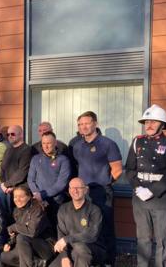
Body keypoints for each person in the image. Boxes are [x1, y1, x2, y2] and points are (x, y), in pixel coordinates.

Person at [125, 104, 166, 267]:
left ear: (162, 124)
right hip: (139, 197)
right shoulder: (138, 141)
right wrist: (138, 188)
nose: (148, 125)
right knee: (142, 239)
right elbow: (129, 169)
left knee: (162, 240)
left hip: (161, 198)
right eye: (146, 121)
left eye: (153, 121)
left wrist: (151, 191)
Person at [71, 111, 122, 264]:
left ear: (95, 124)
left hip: (102, 192)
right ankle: (91, 260)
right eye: (80, 124)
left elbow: (118, 170)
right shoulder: (77, 145)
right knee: (85, 227)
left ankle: (108, 261)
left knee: (105, 227)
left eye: (86, 123)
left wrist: (105, 182)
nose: (83, 127)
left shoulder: (108, 144)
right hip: (83, 193)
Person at [50, 178, 106, 267]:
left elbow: (92, 235)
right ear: (69, 190)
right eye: (72, 188)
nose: (75, 191)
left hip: (93, 249)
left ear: (85, 190)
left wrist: (67, 239)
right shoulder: (63, 209)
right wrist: (64, 257)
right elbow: (61, 234)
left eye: (79, 188)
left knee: (80, 248)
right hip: (71, 250)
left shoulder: (94, 210)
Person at [0, 185, 54, 267]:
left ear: (29, 197)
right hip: (25, 246)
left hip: (44, 246)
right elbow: (17, 232)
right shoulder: (16, 211)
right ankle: (38, 263)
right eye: (15, 197)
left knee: (21, 238)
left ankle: (30, 264)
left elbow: (32, 231)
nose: (17, 200)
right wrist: (10, 243)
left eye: (21, 197)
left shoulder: (37, 208)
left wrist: (13, 227)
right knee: (4, 256)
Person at [28, 131, 70, 228]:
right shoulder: (35, 159)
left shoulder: (63, 160)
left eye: (49, 143)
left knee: (57, 228)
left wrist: (43, 194)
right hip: (39, 201)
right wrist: (36, 193)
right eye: (43, 143)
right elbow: (31, 179)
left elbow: (61, 183)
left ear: (55, 143)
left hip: (57, 201)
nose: (46, 146)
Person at [0, 125, 31, 214]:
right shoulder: (8, 150)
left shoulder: (26, 150)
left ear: (21, 135)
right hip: (6, 190)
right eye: (8, 134)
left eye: (13, 134)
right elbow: (2, 168)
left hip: (20, 190)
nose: (10, 136)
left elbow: (22, 171)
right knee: (7, 214)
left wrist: (7, 184)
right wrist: (3, 184)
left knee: (20, 216)